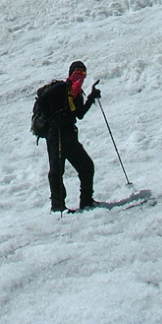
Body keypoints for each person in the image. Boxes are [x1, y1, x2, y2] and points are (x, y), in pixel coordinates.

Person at [43, 61, 101, 213]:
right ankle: (58, 206)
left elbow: (79, 114)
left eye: (82, 74)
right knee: (57, 171)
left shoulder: (76, 93)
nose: (80, 76)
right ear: (70, 74)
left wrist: (91, 97)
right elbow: (43, 101)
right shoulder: (61, 88)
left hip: (69, 135)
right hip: (56, 134)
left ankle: (86, 201)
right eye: (77, 73)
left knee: (87, 167)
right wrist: (54, 118)